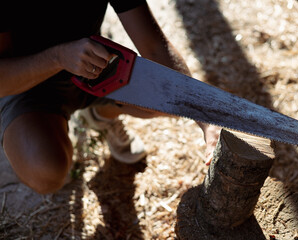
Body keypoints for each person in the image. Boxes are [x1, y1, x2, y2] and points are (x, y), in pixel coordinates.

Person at [0, 1, 220, 194]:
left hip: (94, 67)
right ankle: (51, 126)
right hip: (29, 82)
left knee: (168, 99)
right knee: (45, 171)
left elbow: (154, 48)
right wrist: (58, 57)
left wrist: (205, 117)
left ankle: (99, 115)